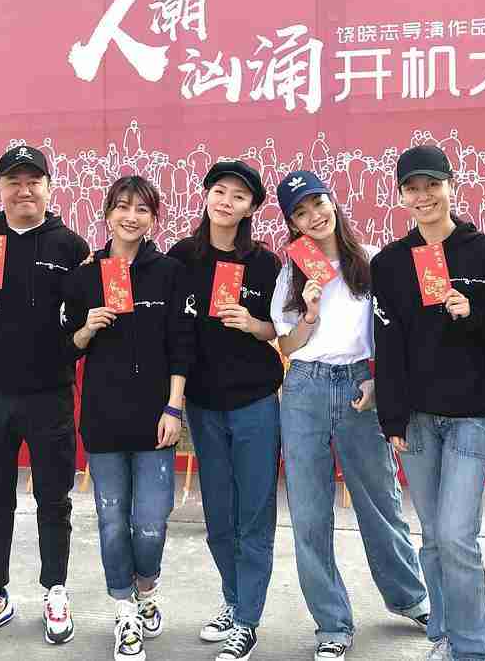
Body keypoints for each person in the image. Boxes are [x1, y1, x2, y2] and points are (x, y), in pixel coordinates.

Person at [271, 170, 429, 661]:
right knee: (309, 514)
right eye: (300, 213)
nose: (313, 217)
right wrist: (309, 314)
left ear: (333, 203)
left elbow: (393, 332)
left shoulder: (372, 263)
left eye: (317, 203)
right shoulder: (291, 273)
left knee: (381, 501)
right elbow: (286, 345)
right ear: (293, 224)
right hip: (305, 389)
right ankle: (332, 624)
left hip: (360, 383)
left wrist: (380, 383)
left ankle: (410, 598)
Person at [372, 146, 485, 661]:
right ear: (401, 196)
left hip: (470, 415)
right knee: (434, 536)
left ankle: (474, 648)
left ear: (451, 185)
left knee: (458, 536)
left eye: (432, 185)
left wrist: (472, 313)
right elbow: (388, 342)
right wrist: (392, 416)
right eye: (412, 188)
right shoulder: (391, 263)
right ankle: (443, 634)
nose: (423, 197)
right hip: (416, 418)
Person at [0, 145, 90, 646]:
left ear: (49, 187)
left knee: (54, 498)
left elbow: (83, 322)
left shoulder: (71, 247)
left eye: (33, 181)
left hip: (50, 394)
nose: (24, 190)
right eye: (14, 181)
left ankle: (55, 589)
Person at [60, 175, 196, 661]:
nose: (131, 217)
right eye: (122, 207)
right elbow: (65, 347)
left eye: (142, 209)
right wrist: (86, 329)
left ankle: (146, 587)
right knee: (112, 520)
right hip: (103, 416)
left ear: (154, 218)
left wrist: (174, 407)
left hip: (157, 418)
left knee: (151, 520)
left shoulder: (171, 272)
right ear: (107, 214)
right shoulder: (84, 276)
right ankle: (124, 610)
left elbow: (182, 345)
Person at [167, 161, 284, 661]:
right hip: (203, 404)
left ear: (251, 207)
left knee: (254, 513)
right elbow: (172, 327)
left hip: (255, 401)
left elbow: (280, 329)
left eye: (239, 196)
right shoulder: (181, 257)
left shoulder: (265, 263)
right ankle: (234, 600)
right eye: (219, 191)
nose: (226, 202)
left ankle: (248, 620)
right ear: (206, 195)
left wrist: (253, 324)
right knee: (218, 515)